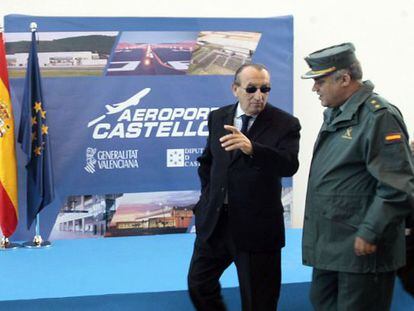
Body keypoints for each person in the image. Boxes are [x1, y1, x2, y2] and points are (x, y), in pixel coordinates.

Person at [301, 42, 414, 310]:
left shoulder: (379, 116)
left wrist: (370, 231)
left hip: (362, 250)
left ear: (344, 79)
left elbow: (397, 184)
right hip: (331, 248)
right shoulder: (336, 113)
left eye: (319, 81)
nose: (314, 88)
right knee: (321, 302)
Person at [187, 64, 301, 311]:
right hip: (216, 224)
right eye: (251, 89)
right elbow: (208, 163)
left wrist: (253, 149)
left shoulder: (285, 123)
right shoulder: (219, 117)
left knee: (259, 302)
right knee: (198, 285)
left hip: (257, 228)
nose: (259, 95)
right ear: (235, 89)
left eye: (265, 89)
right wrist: (205, 201)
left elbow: (289, 165)